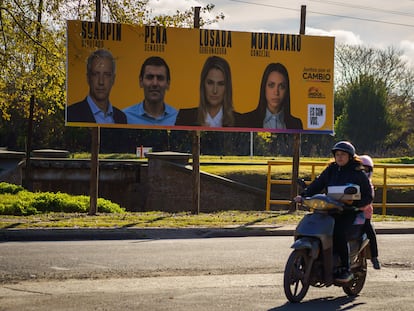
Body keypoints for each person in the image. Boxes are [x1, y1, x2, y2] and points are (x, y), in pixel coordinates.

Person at [294, 141, 373, 282]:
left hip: (349, 211)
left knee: (338, 232)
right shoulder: (331, 169)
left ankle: (346, 268)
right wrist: (304, 195)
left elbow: (368, 194)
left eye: (343, 154)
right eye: (337, 154)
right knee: (317, 225)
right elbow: (318, 184)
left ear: (350, 156)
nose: (340, 157)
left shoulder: (357, 172)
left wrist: (357, 205)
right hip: (330, 208)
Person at [175, 56, 241, 127]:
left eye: (221, 84)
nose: (215, 90)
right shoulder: (185, 117)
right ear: (203, 84)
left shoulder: (240, 121)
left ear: (227, 87)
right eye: (210, 83)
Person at [66, 49, 127, 124]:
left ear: (113, 79)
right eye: (95, 74)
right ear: (88, 78)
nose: (101, 82)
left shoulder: (121, 117)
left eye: (106, 75)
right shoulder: (70, 114)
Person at [239, 62, 302, 129]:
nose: (276, 92)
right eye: (271, 85)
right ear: (264, 88)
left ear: (286, 90)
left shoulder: (296, 124)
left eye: (281, 86)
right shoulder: (246, 121)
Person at [123, 56, 177, 125]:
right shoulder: (125, 117)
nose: (155, 83)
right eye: (149, 77)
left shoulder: (177, 119)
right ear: (141, 82)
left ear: (168, 84)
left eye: (160, 78)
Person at [359, 154, 381, 269]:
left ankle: (374, 257)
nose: (363, 172)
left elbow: (369, 199)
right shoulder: (351, 181)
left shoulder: (369, 185)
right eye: (360, 169)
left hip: (364, 216)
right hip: (348, 213)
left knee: (371, 233)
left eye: (365, 169)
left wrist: (359, 207)